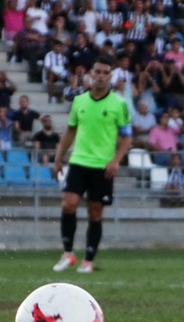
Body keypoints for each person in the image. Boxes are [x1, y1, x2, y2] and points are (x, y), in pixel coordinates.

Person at [51, 55, 132, 274]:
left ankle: (88, 260)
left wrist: (116, 160)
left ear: (111, 76)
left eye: (106, 72)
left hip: (102, 166)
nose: (101, 76)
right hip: (79, 161)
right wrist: (59, 158)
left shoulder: (119, 104)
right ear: (91, 74)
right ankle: (68, 253)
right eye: (97, 72)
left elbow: (127, 137)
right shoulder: (80, 101)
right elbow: (70, 130)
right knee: (68, 204)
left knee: (95, 213)